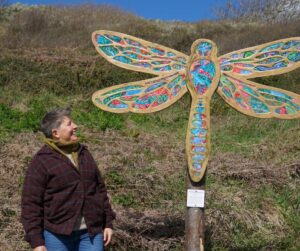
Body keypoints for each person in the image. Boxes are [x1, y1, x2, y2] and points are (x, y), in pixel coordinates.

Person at [21, 108, 116, 251]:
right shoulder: (42, 161)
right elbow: (30, 204)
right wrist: (36, 241)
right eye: (70, 124)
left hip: (91, 233)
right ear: (55, 133)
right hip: (57, 235)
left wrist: (108, 223)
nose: (75, 126)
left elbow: (99, 189)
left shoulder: (84, 153)